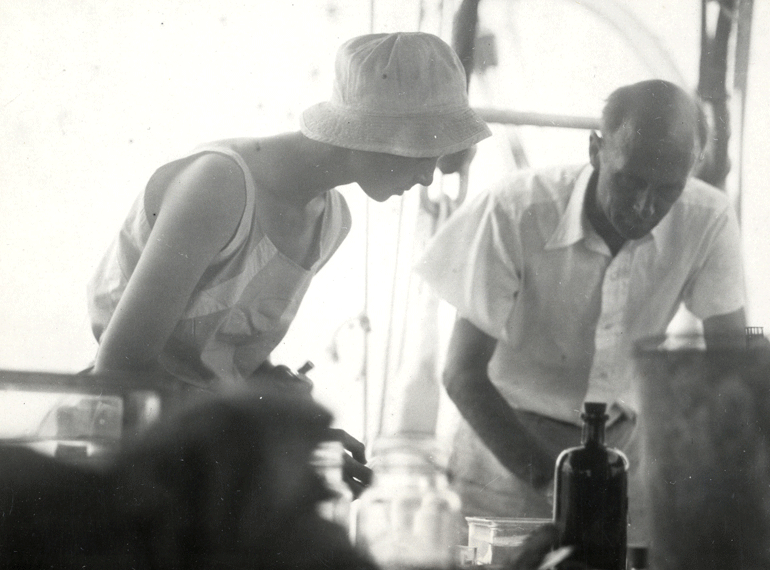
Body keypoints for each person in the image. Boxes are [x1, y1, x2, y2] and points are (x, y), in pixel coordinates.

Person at [415, 79, 747, 541]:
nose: (644, 206)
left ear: (692, 170)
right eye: (629, 181)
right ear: (596, 149)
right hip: (504, 447)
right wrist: (552, 484)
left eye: (667, 190)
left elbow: (731, 361)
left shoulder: (708, 217)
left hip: (622, 448)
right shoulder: (514, 210)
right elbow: (461, 374)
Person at [89, 31, 491, 397]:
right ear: (369, 134)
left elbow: (211, 349)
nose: (426, 177)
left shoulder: (331, 220)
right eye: (422, 151)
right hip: (128, 432)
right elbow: (118, 370)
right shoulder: (220, 185)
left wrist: (269, 390)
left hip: (198, 438)